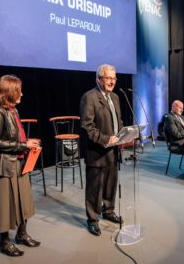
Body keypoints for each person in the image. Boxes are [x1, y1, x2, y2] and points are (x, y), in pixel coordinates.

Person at [0, 75, 41, 257]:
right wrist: (24, 145)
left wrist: (27, 142)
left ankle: (22, 234)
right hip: (4, 166)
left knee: (23, 199)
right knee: (5, 204)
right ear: (9, 92)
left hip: (18, 161)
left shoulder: (13, 111)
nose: (22, 94)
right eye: (18, 91)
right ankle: (4, 241)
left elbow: (14, 136)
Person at [80, 64, 123, 237]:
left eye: (114, 78)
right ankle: (92, 219)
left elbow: (117, 121)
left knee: (110, 184)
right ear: (99, 79)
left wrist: (122, 134)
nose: (112, 81)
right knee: (94, 188)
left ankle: (109, 210)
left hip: (113, 150)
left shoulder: (115, 97)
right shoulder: (89, 97)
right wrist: (106, 140)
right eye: (108, 78)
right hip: (97, 151)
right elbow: (87, 126)